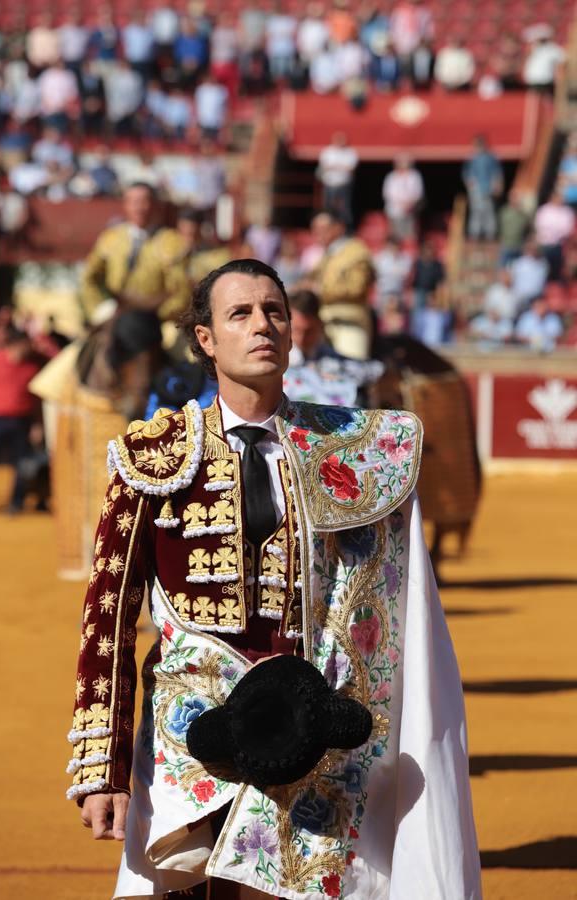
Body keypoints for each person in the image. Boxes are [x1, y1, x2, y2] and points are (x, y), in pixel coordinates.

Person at [66, 257, 482, 899]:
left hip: (312, 734)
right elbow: (109, 619)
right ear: (206, 339)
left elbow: (388, 605)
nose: (262, 325)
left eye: (274, 312)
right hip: (192, 735)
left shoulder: (351, 449)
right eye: (240, 313)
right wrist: (104, 768)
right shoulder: (152, 457)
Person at [80, 182, 188, 323]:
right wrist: (99, 311)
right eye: (133, 202)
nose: (138, 208)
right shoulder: (111, 238)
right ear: (125, 205)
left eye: (144, 201)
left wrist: (159, 316)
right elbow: (89, 278)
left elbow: (181, 291)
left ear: (155, 205)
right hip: (115, 315)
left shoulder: (172, 241)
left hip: (157, 320)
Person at [0, 328, 43, 513]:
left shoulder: (32, 367)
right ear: (13, 345)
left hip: (21, 421)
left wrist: (37, 424)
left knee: (21, 463)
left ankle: (16, 501)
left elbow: (36, 399)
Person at [309, 209, 375, 360]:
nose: (317, 234)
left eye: (323, 229)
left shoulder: (357, 252)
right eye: (315, 229)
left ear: (338, 228)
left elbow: (357, 288)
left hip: (349, 323)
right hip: (324, 323)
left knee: (352, 366)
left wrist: (319, 290)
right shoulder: (327, 255)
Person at [462, 135, 503, 241]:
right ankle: (474, 234)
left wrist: (497, 185)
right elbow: (466, 174)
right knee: (476, 211)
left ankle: (490, 235)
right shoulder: (471, 158)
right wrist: (470, 185)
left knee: (489, 211)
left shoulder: (491, 157)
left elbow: (497, 173)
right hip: (476, 190)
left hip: (488, 189)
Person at [316, 132, 359, 228]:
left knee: (345, 208)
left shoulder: (350, 152)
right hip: (329, 184)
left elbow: (351, 168)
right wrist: (341, 167)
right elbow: (324, 166)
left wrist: (334, 166)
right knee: (328, 208)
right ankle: (328, 227)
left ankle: (346, 228)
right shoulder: (327, 151)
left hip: (344, 184)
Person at [533, 190, 576, 282]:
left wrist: (557, 233)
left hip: (560, 245)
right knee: (543, 268)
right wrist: (553, 232)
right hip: (545, 244)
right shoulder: (544, 210)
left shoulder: (567, 212)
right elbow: (540, 226)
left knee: (557, 269)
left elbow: (567, 228)